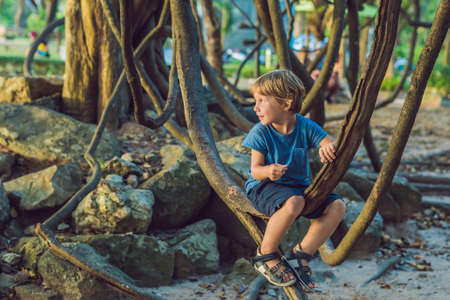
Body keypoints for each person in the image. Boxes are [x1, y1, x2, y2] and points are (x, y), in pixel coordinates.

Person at [242, 70, 346, 289]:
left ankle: (302, 255)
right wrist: (268, 170)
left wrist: (328, 146)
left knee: (337, 206)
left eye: (262, 101)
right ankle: (266, 254)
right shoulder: (260, 132)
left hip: (298, 188)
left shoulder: (305, 126)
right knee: (295, 202)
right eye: (255, 101)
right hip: (264, 186)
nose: (255, 107)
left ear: (286, 104)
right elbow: (254, 170)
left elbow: (328, 140)